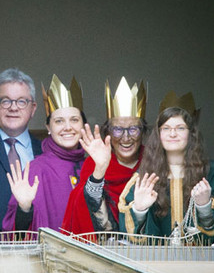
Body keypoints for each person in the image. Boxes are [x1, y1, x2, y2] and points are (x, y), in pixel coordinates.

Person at [119, 98, 214, 242]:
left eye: (180, 128)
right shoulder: (143, 178)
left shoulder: (209, 173)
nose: (173, 134)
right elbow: (129, 236)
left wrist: (205, 208)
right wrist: (139, 210)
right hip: (157, 263)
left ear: (191, 134)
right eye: (166, 128)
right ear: (158, 135)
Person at [61, 77, 148, 235]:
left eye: (133, 129)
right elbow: (86, 206)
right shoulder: (92, 163)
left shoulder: (153, 161)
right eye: (117, 130)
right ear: (108, 132)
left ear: (143, 132)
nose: (126, 138)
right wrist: (100, 169)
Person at [2, 75, 86, 234]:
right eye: (59, 121)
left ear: (83, 125)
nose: (67, 127)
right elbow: (14, 235)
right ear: (48, 127)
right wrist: (24, 209)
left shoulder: (92, 167)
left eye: (74, 120)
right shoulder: (35, 169)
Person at [0, 48, 42, 236]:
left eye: (22, 101)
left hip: (33, 250)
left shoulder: (44, 150)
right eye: (5, 101)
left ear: (33, 108)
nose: (13, 108)